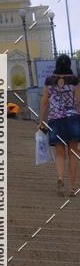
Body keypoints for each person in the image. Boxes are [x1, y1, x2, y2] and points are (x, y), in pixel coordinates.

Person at [38, 53, 80, 196]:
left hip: (55, 120)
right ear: (69, 65)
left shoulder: (49, 81)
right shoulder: (74, 80)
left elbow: (44, 102)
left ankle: (60, 179)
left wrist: (41, 121)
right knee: (73, 152)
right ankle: (72, 187)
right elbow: (79, 101)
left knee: (60, 153)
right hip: (72, 118)